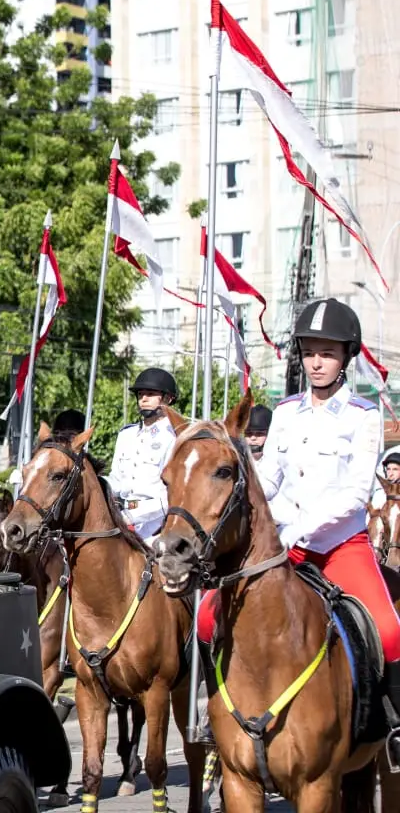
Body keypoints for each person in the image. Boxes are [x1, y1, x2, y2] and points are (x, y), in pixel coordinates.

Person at [194, 298, 400, 762]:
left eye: (327, 352)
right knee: (208, 617)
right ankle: (218, 714)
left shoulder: (363, 416)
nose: (317, 362)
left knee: (388, 631)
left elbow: (352, 494)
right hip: (286, 548)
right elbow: (270, 481)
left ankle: (392, 731)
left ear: (346, 356)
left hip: (340, 546)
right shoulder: (285, 412)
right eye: (310, 352)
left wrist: (299, 529)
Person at [108, 367, 178, 538]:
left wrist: (132, 516)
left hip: (157, 523)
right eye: (140, 394)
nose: (143, 399)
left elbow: (172, 495)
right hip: (121, 514)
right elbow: (115, 482)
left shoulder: (174, 438)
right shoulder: (126, 435)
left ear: (168, 398)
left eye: (150, 394)